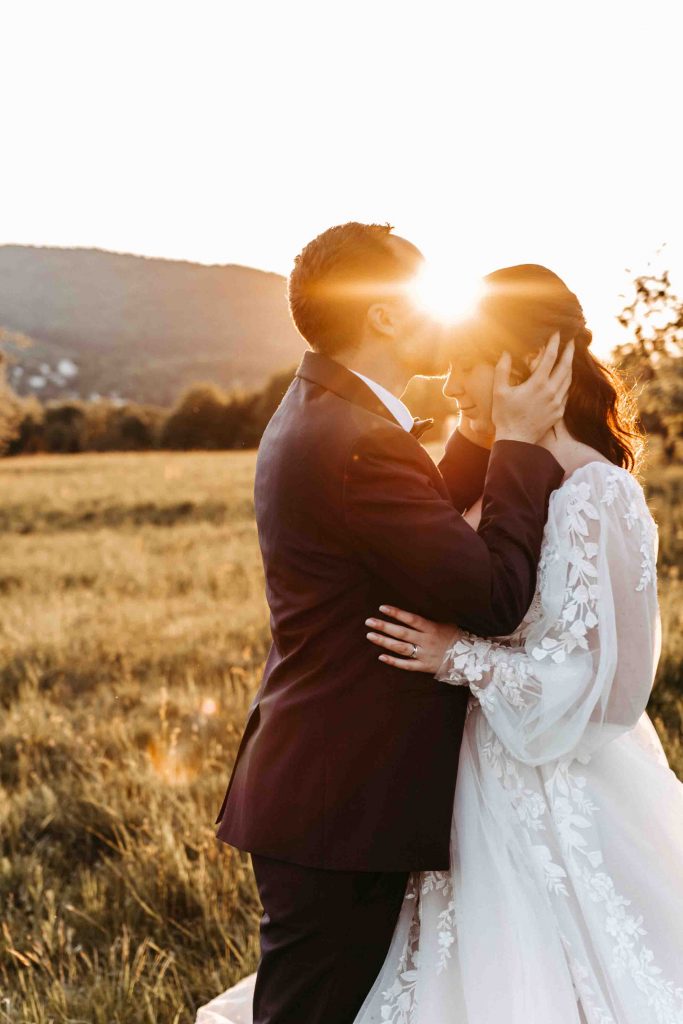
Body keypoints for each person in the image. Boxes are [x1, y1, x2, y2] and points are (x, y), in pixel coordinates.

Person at [197, 227, 572, 1024]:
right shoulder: (358, 440)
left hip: (324, 785)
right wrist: (514, 443)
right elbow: (494, 593)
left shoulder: (329, 414)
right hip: (342, 800)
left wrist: (476, 440)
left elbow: (411, 532)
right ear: (385, 318)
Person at [356, 264, 683, 1023]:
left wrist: (457, 658)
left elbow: (616, 688)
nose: (453, 386)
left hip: (554, 784)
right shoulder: (489, 473)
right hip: (460, 778)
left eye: (472, 364)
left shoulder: (599, 491)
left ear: (532, 362)